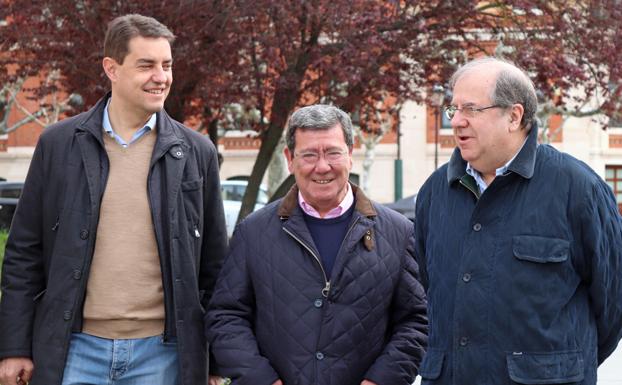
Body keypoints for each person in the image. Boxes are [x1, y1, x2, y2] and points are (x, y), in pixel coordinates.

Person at [0, 14, 228, 385]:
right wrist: (13, 347)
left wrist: (215, 362)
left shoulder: (196, 151)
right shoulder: (58, 145)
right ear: (112, 68)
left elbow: (215, 266)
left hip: (164, 355)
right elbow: (24, 254)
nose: (161, 76)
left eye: (167, 65)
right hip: (73, 350)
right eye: (146, 65)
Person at [414, 56, 622, 384]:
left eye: (471, 109)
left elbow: (612, 305)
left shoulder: (578, 188)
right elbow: (428, 291)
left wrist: (555, 368)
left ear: (514, 116)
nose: (455, 121)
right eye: (453, 109)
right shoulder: (434, 193)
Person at [205, 104, 428, 385]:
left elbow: (416, 321)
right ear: (289, 158)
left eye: (332, 152)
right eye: (309, 154)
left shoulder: (398, 232)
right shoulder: (254, 232)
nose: (322, 166)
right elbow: (226, 317)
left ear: (350, 153)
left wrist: (380, 381)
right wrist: (262, 380)